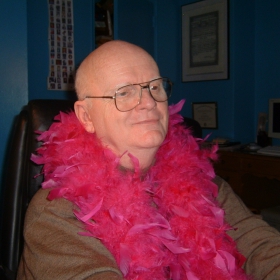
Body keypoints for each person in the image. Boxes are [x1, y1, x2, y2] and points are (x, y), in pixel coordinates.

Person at [17, 40, 280, 280]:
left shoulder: (202, 182)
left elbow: (259, 244)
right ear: (86, 117)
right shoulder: (57, 211)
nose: (148, 102)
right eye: (124, 92)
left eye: (155, 87)